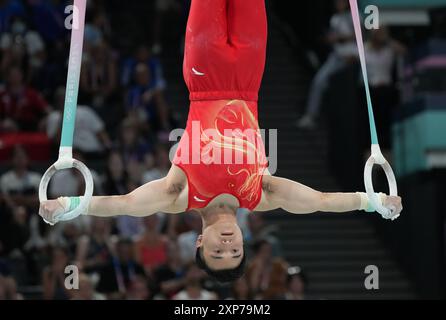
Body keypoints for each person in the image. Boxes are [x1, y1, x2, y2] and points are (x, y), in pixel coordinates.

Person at [40, 0, 403, 284]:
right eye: (235, 251)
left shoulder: (180, 194)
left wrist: (69, 205)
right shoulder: (260, 193)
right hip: (249, 74)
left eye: (218, 252)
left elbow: (123, 203)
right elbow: (322, 201)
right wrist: (373, 201)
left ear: (200, 243)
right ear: (245, 242)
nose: (228, 244)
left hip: (205, 69)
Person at [297, 0, 358, 129]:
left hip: (355, 59)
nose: (338, 4)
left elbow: (361, 36)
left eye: (341, 1)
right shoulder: (335, 19)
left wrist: (340, 38)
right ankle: (311, 115)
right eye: (336, 2)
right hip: (337, 58)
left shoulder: (355, 16)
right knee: (319, 81)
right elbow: (331, 39)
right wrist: (330, 39)